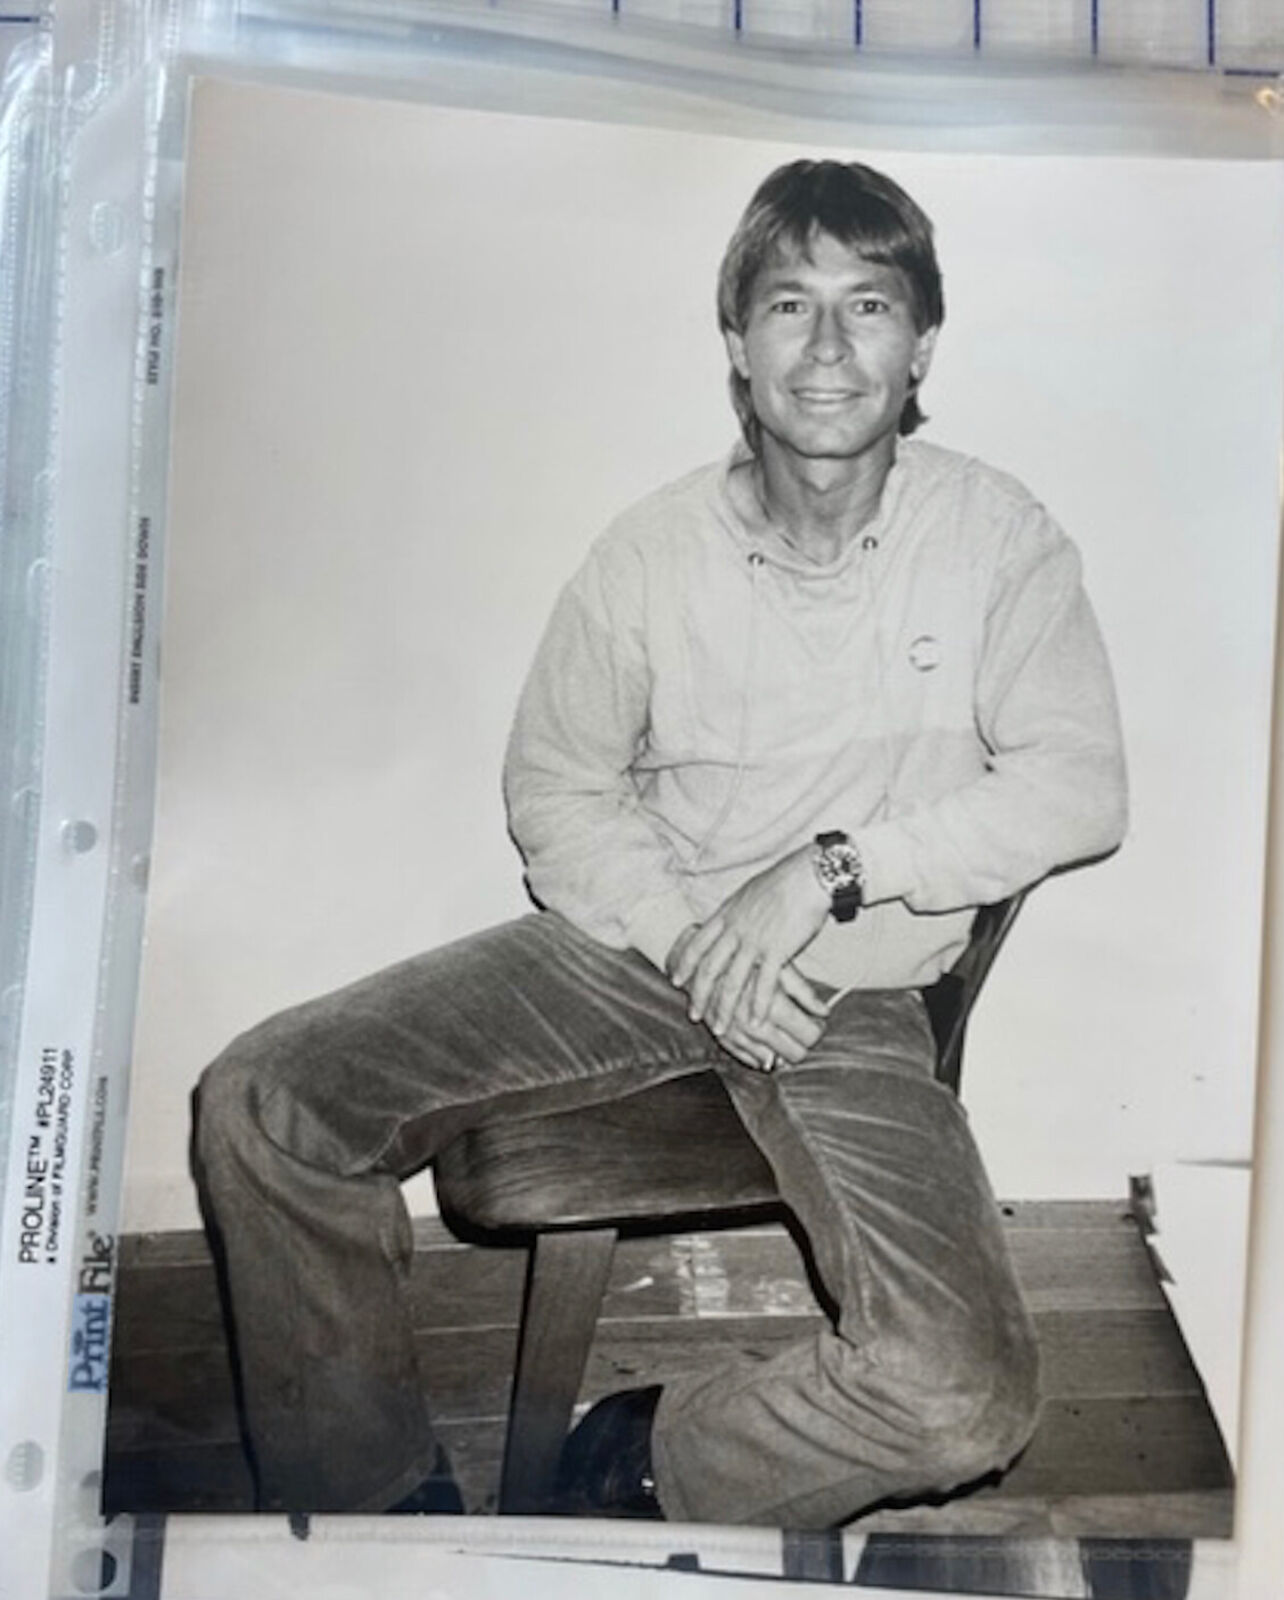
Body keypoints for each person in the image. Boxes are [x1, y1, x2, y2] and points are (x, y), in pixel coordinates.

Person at [194, 158, 1128, 1529]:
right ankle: (373, 1521)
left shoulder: (999, 539)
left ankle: (637, 1463)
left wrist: (828, 872)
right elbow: (559, 791)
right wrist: (694, 937)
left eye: (867, 305)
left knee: (959, 1395)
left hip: (849, 998)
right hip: (635, 949)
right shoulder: (647, 555)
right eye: (787, 305)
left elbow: (1080, 789)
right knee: (264, 1103)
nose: (825, 347)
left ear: (922, 343)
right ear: (737, 346)